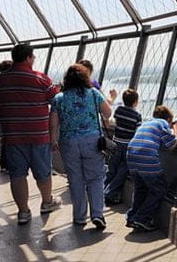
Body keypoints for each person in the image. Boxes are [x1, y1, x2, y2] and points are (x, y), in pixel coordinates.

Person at [0, 44, 61, 225]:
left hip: (12, 136)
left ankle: (23, 211)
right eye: (33, 57)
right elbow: (56, 100)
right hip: (38, 135)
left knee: (17, 175)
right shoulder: (41, 79)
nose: (33, 59)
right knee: (43, 172)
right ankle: (47, 202)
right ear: (28, 58)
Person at [50, 64, 112, 229]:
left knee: (75, 179)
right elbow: (108, 113)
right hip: (92, 141)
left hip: (68, 142)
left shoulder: (59, 98)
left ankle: (79, 217)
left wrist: (53, 140)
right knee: (95, 178)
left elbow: (54, 123)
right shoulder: (93, 93)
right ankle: (97, 214)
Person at [126, 105, 177, 231]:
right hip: (146, 159)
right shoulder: (163, 123)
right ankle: (141, 218)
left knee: (140, 189)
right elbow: (171, 144)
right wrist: (176, 129)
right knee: (159, 189)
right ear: (168, 119)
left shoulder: (146, 124)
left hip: (131, 156)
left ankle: (132, 217)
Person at [104, 88, 142, 205]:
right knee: (123, 170)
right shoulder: (137, 116)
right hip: (127, 146)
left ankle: (101, 190)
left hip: (116, 143)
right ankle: (109, 193)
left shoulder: (119, 110)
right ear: (135, 102)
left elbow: (114, 122)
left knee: (111, 169)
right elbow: (138, 133)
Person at [0, 60, 13, 174]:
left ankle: (4, 164)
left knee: (6, 138)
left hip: (1, 112)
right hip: (10, 113)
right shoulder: (9, 81)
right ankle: (7, 163)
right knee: (10, 139)